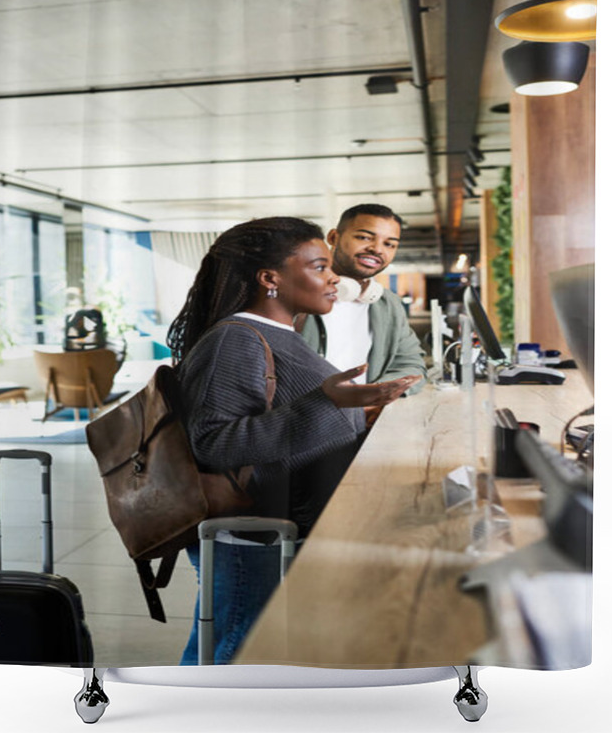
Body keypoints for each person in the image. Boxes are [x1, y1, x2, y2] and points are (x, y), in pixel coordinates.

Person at [166, 217, 421, 665]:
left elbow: (285, 415)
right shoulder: (235, 340)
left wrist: (351, 411)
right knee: (233, 652)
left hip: (281, 531)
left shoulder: (278, 334)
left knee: (250, 651)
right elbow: (212, 443)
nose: (333, 278)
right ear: (270, 279)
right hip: (250, 541)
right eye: (320, 267)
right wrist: (327, 404)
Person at [299, 204, 427, 394]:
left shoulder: (387, 303)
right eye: (364, 237)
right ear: (334, 237)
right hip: (301, 417)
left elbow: (412, 364)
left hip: (363, 419)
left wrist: (372, 395)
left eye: (389, 244)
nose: (377, 249)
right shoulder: (297, 293)